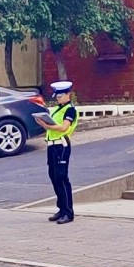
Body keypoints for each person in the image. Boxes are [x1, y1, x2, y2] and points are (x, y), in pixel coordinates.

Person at [35, 81, 79, 224]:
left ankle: (68, 212)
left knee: (62, 178)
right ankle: (61, 209)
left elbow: (63, 127)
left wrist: (46, 125)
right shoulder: (57, 109)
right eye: (56, 96)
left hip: (62, 146)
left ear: (68, 94)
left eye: (60, 95)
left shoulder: (70, 110)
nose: (58, 98)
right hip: (52, 146)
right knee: (54, 177)